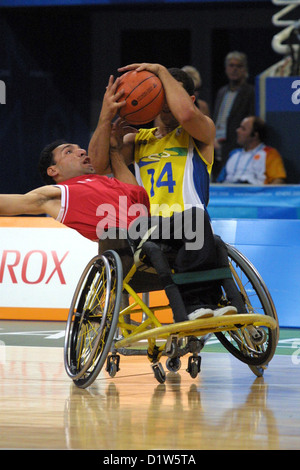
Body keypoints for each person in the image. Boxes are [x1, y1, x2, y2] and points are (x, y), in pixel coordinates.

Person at [89, 62, 238, 321]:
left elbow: (187, 116)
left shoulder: (200, 133)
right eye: (162, 94)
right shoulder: (136, 139)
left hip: (191, 229)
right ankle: (195, 305)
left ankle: (206, 304)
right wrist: (105, 119)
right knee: (196, 220)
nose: (167, 102)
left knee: (198, 222)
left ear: (189, 99)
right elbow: (99, 165)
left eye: (171, 94)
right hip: (145, 228)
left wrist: (159, 70)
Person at [0, 75, 150, 243]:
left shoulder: (108, 183)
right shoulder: (58, 195)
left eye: (79, 148)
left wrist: (114, 149)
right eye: (68, 152)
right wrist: (105, 116)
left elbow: (137, 197)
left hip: (154, 237)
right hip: (130, 250)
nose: (81, 152)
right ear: (53, 170)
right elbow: (17, 202)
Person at [213, 51, 255, 181]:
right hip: (216, 147)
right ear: (226, 69)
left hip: (236, 147)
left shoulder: (250, 92)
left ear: (245, 69)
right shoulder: (222, 92)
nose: (234, 69)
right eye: (231, 65)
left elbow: (251, 119)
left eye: (239, 66)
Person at [217, 116, 287, 185]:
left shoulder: (269, 153)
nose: (238, 130)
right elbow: (219, 181)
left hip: (255, 194)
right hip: (229, 193)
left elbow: (278, 181)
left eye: (243, 129)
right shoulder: (234, 153)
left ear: (255, 135)